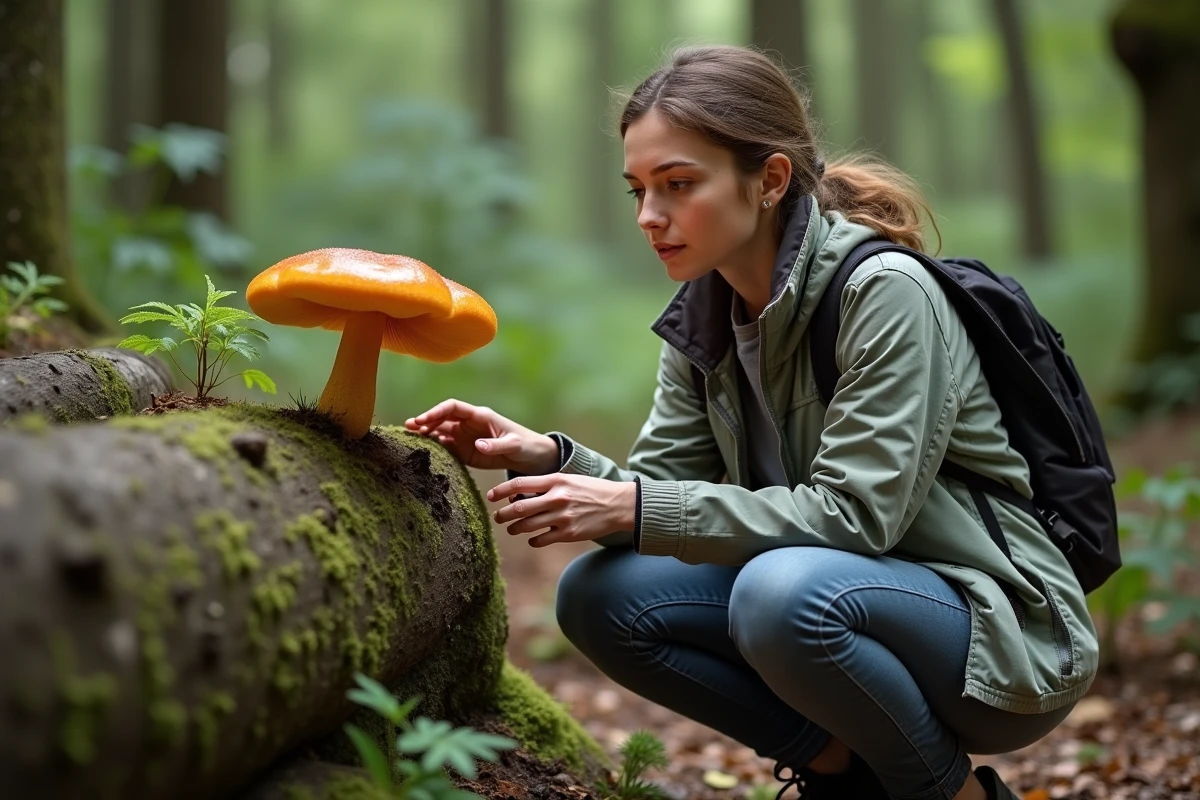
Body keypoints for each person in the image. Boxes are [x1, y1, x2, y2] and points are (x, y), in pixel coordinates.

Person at [404, 45, 1097, 800]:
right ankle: (840, 772)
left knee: (779, 594)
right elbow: (663, 502)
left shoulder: (885, 294)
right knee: (600, 595)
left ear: (768, 180)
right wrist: (548, 457)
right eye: (637, 188)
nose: (649, 215)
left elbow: (856, 515)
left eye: (678, 185)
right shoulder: (704, 320)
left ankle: (949, 795)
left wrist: (635, 506)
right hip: (837, 602)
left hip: (996, 632)